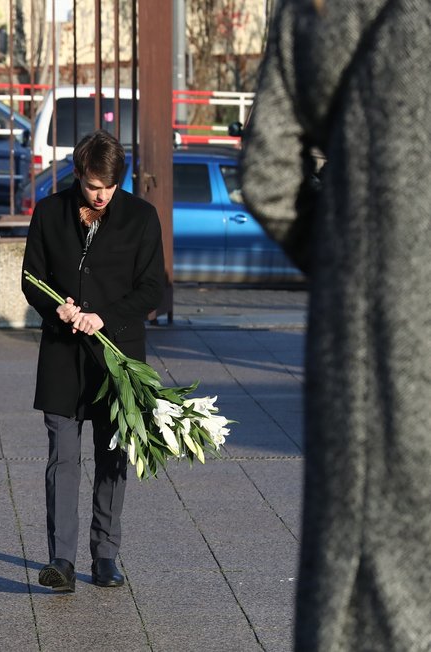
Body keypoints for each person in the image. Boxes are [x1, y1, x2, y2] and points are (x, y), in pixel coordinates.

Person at [240, 1, 431, 649]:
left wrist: (355, 264)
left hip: (369, 345)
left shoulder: (315, 12)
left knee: (365, 589)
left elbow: (268, 179)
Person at [21, 129, 164, 593]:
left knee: (112, 456)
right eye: (90, 186)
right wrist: (55, 308)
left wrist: (106, 318)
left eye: (107, 187)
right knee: (61, 458)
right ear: (78, 176)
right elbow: (30, 277)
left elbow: (151, 288)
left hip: (116, 360)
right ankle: (60, 559)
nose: (99, 195)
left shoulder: (142, 217)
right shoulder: (49, 212)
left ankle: (105, 554)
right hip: (62, 356)